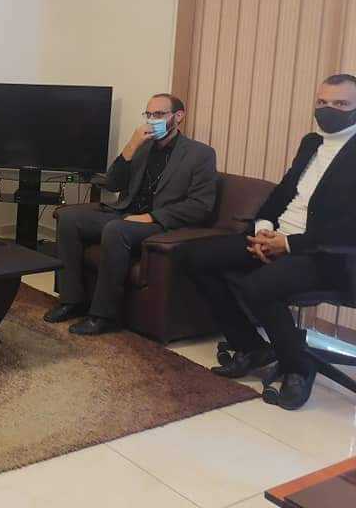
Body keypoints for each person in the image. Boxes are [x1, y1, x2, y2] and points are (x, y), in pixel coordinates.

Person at [175, 74, 356, 410]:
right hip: (278, 236)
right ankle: (250, 347)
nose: (328, 109)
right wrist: (263, 227)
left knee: (259, 285)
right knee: (192, 257)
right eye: (322, 102)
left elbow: (349, 229)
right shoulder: (312, 142)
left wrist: (288, 244)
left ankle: (297, 368)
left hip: (328, 255)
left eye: (340, 103)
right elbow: (284, 192)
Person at [44, 93, 218, 335]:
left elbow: (200, 205)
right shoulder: (142, 146)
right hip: (126, 213)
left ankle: (103, 316)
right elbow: (112, 184)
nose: (152, 120)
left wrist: (152, 217)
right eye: (149, 114)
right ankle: (71, 301)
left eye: (159, 114)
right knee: (69, 218)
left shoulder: (200, 154)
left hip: (160, 223)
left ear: (178, 117)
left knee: (115, 230)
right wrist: (130, 147)